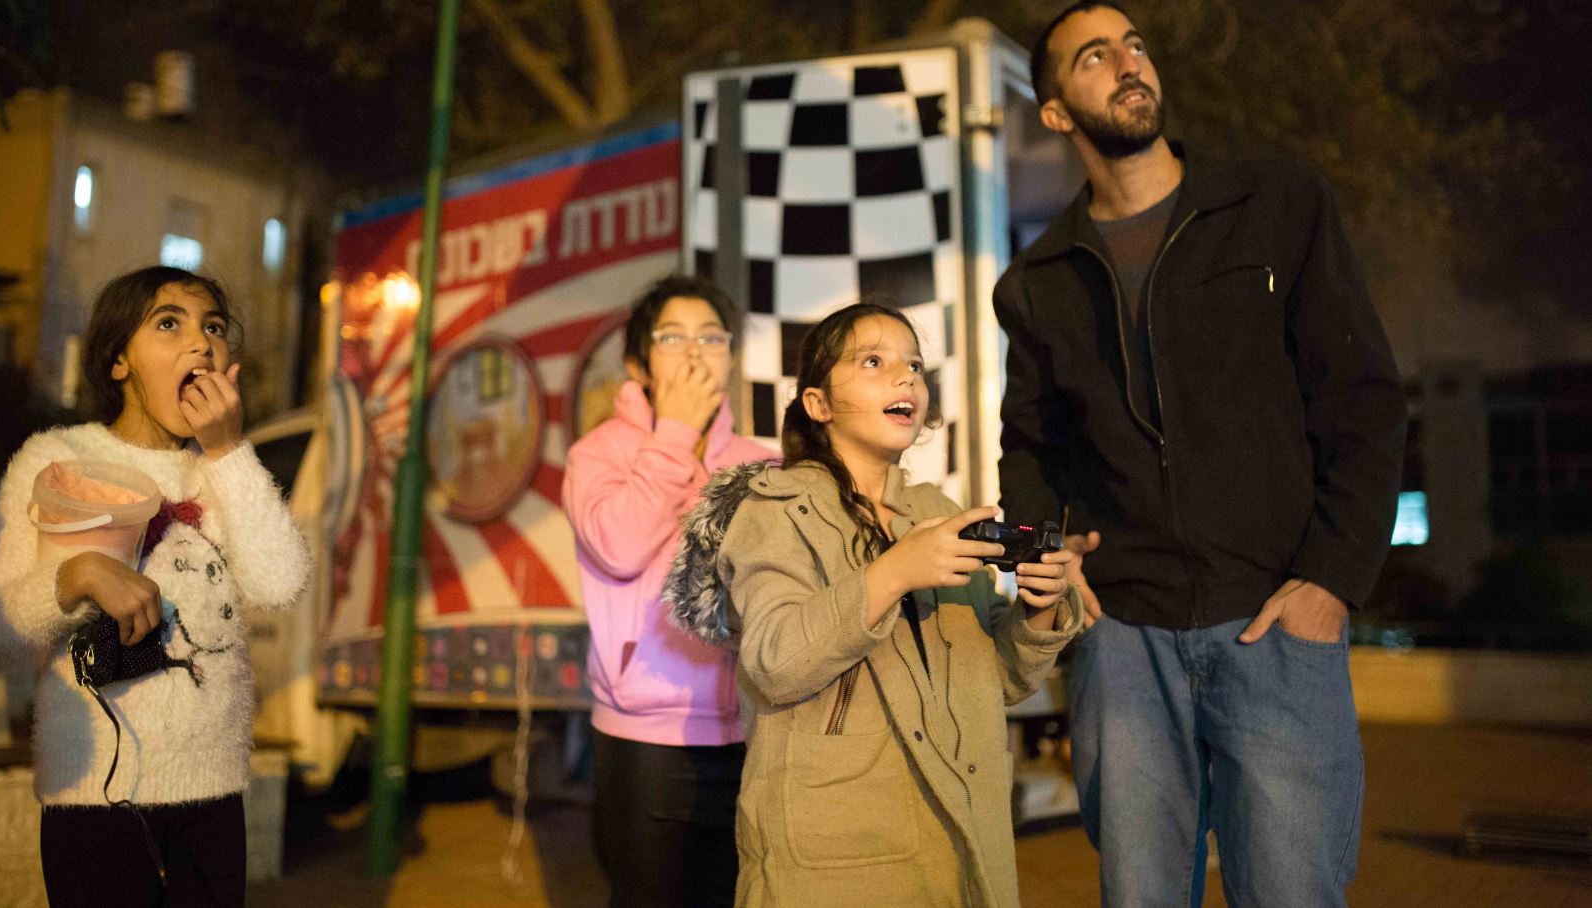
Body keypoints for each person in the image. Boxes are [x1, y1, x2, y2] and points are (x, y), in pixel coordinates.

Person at [997, 3, 1407, 905]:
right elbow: (1029, 445)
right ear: (1058, 111)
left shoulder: (1276, 207)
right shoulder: (1035, 283)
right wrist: (1041, 558)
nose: (1127, 64)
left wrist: (1330, 580)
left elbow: (1364, 403)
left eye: (1134, 46)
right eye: (1094, 58)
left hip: (1273, 620)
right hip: (1124, 643)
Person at [665, 301, 1084, 907]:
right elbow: (774, 663)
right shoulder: (775, 510)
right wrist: (892, 574)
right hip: (837, 864)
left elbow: (999, 678)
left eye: (914, 364)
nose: (905, 377)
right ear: (818, 404)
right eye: (873, 361)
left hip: (962, 850)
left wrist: (1040, 607)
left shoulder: (937, 512)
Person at [0, 266, 310, 907]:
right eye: (169, 323)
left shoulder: (224, 467)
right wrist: (74, 575)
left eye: (213, 327)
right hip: (94, 794)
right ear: (118, 361)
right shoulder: (57, 457)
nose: (200, 343)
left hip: (213, 791)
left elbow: (280, 583)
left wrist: (228, 449)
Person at [561, 275, 774, 908]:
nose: (695, 351)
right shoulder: (596, 455)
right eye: (673, 336)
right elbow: (620, 546)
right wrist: (675, 433)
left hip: (752, 732)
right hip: (644, 739)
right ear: (638, 364)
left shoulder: (765, 465)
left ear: (731, 356)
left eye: (712, 336)